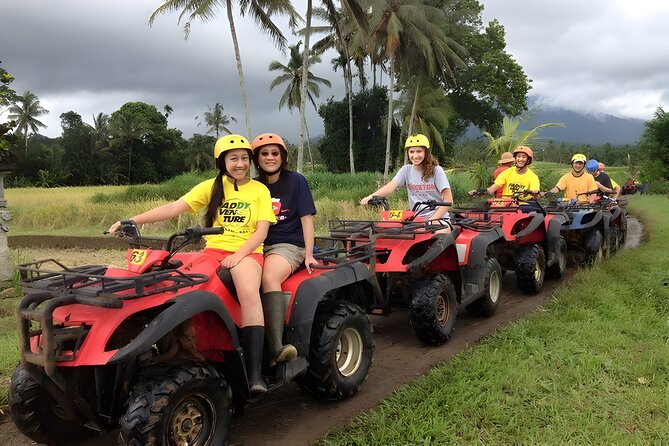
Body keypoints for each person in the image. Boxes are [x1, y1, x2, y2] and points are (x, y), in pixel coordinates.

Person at [107, 134, 276, 395]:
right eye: (234, 159)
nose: (240, 164)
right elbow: (175, 207)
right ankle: (187, 348)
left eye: (244, 158)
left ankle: (254, 375)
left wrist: (240, 255)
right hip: (213, 250)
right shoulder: (211, 186)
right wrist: (132, 220)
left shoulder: (259, 190)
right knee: (183, 285)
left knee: (247, 290)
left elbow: (261, 233)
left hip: (249, 251)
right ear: (222, 162)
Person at [251, 132, 317, 367]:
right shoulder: (253, 186)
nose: (270, 158)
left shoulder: (296, 181)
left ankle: (275, 348)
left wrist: (308, 254)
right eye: (264, 154)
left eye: (274, 153)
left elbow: (306, 219)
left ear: (283, 157)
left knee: (269, 277)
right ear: (256, 159)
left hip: (289, 244)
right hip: (257, 244)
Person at [360, 134, 453, 228]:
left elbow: (448, 201)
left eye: (419, 151)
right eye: (411, 152)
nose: (415, 156)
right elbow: (391, 186)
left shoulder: (437, 170)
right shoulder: (406, 170)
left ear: (426, 152)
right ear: (407, 153)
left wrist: (430, 221)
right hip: (415, 220)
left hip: (439, 219)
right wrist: (371, 197)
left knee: (438, 235)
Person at [468, 146, 540, 210]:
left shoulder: (532, 177)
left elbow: (535, 193)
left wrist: (534, 192)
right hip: (506, 204)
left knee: (530, 210)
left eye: (524, 157)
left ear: (528, 160)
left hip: (522, 205)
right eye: (518, 156)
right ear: (515, 159)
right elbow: (491, 189)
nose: (520, 159)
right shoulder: (506, 173)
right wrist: (478, 191)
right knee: (484, 208)